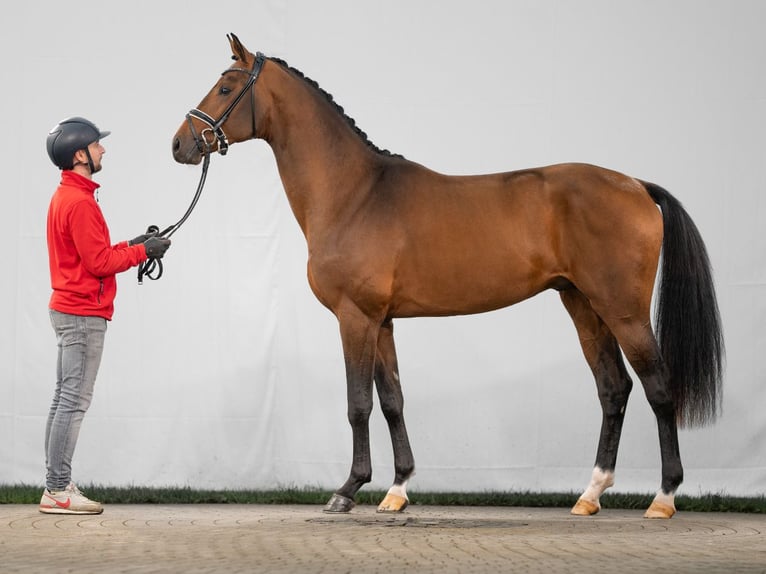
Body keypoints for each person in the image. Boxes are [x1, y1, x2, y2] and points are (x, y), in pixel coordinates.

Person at [41, 116, 171, 514]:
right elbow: (98, 263)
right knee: (73, 402)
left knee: (63, 399)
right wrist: (142, 253)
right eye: (97, 145)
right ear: (79, 154)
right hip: (82, 314)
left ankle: (55, 485)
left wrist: (131, 244)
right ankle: (58, 489)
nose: (102, 150)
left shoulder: (70, 196)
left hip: (70, 309)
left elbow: (93, 251)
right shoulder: (78, 202)